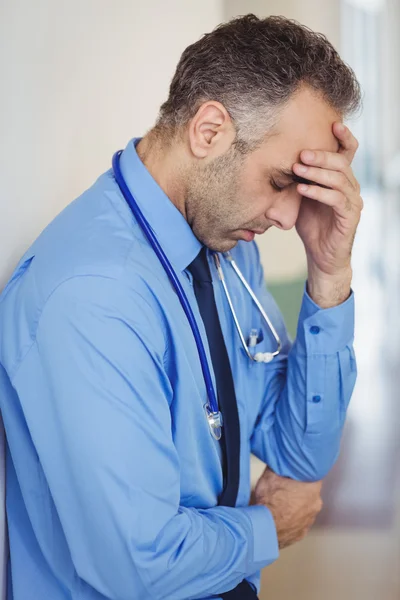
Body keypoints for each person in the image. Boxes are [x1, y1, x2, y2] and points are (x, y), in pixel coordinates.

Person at [0, 14, 362, 600]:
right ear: (210, 131)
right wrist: (267, 527)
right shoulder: (93, 299)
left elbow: (299, 450)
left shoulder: (224, 245)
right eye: (279, 182)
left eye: (303, 188)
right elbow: (137, 566)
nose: (288, 218)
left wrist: (329, 275)